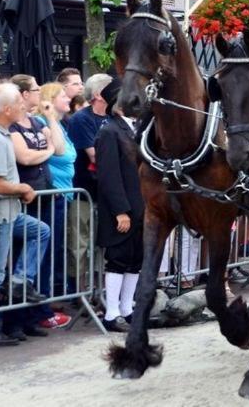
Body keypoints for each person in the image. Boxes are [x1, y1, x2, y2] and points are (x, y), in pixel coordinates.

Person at [0, 83, 51, 347]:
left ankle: (19, 281)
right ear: (6, 109)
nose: (23, 106)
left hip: (6, 212)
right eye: (18, 102)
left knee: (41, 230)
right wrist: (23, 188)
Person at [4, 74, 67, 337]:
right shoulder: (12, 127)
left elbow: (61, 148)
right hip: (27, 198)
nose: (40, 92)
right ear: (22, 94)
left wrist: (51, 118)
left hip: (47, 196)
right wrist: (48, 150)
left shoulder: (37, 120)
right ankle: (14, 319)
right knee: (20, 261)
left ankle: (34, 315)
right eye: (35, 89)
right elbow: (26, 157)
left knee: (42, 262)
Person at [93, 77, 144, 332]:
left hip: (140, 206)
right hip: (122, 208)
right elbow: (109, 175)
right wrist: (121, 211)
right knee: (118, 259)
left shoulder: (136, 129)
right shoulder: (109, 131)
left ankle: (127, 308)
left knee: (135, 259)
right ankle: (111, 313)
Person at [66, 73, 112, 292]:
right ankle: (80, 292)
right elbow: (94, 155)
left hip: (106, 192)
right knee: (80, 243)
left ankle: (100, 291)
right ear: (98, 95)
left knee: (102, 242)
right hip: (83, 190)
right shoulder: (81, 119)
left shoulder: (114, 118)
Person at [38, 82, 77, 295]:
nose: (68, 99)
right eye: (63, 96)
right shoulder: (41, 121)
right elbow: (61, 152)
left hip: (64, 195)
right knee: (48, 250)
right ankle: (43, 300)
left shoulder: (62, 125)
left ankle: (49, 297)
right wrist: (51, 117)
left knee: (56, 249)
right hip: (52, 196)